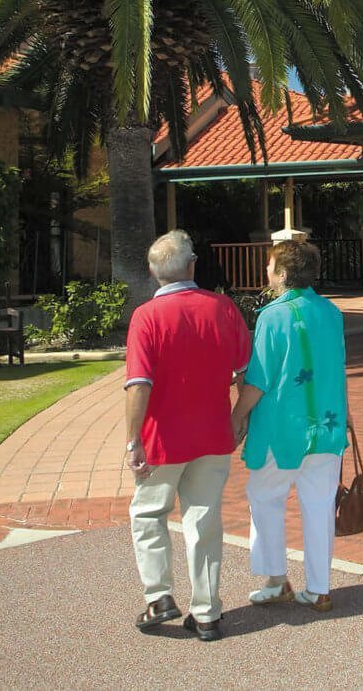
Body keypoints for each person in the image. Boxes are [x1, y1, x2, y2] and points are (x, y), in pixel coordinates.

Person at [123, 230, 251, 640]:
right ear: (192, 265)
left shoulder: (146, 317)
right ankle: (207, 611)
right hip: (213, 433)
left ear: (152, 272)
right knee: (204, 520)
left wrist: (133, 439)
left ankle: (160, 595)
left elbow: (139, 383)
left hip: (164, 437)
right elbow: (247, 372)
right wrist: (237, 417)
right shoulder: (223, 308)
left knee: (148, 514)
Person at [233, 240, 350, 613]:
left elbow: (260, 379)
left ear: (282, 274)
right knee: (318, 506)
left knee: (265, 498)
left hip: (281, 428)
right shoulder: (331, 312)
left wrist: (237, 416)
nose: (266, 272)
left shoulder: (272, 316)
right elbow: (336, 366)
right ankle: (319, 588)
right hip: (327, 425)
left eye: (270, 266)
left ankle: (275, 579)